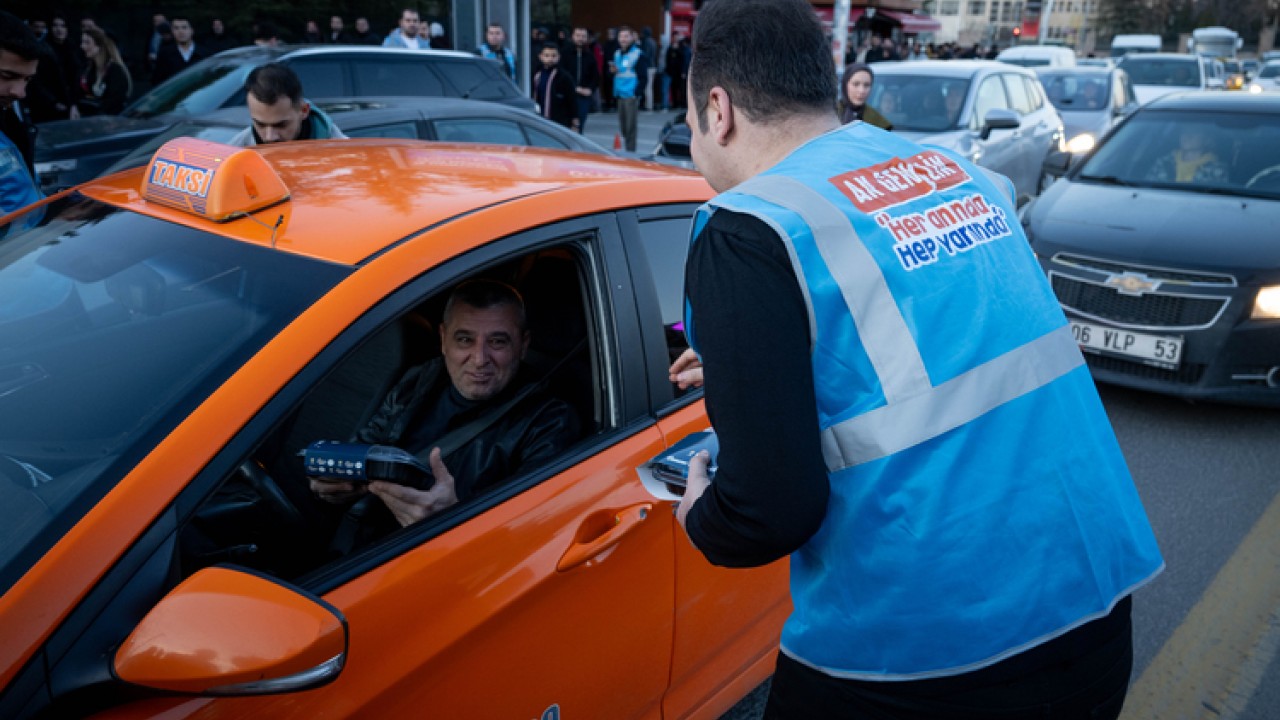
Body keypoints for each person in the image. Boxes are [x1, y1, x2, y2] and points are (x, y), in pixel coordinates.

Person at [670, 0, 1164, 717]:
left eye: (686, 125)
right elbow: (942, 344)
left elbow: (767, 513)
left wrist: (699, 518)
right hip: (1090, 605)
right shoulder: (951, 171)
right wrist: (762, 370)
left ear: (718, 110)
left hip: (920, 652)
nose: (692, 141)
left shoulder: (751, 225)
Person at [310, 280, 579, 532]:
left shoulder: (550, 421)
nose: (479, 359)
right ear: (443, 339)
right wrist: (337, 482)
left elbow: (533, 532)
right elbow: (368, 443)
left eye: (498, 342)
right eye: (465, 340)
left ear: (523, 345)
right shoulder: (421, 379)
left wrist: (452, 520)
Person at [227, 62, 347, 146]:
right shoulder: (235, 153)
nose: (270, 137)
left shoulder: (342, 152)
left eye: (281, 125)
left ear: (304, 110)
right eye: (260, 125)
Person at [0, 10, 42, 216]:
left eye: (27, 80)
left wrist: (53, 212)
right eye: (7, 76)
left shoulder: (9, 120)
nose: (20, 92)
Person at [72, 27, 130, 117]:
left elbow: (114, 102)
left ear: (99, 45)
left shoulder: (115, 70)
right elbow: (76, 92)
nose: (82, 46)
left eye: (87, 42)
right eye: (82, 42)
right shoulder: (87, 68)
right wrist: (74, 106)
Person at [1145, 125, 1229, 184]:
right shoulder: (1164, 162)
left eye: (1194, 132)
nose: (1187, 136)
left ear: (1207, 139)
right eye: (1184, 131)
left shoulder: (1216, 169)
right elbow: (1147, 188)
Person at [610, 26, 647, 152]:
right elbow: (619, 72)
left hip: (631, 95)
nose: (623, 39)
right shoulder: (617, 53)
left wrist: (637, 93)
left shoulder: (638, 54)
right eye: (621, 36)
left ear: (632, 37)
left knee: (630, 128)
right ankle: (628, 150)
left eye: (626, 36)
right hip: (620, 94)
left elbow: (643, 77)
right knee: (624, 127)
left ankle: (630, 154)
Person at [562, 27, 599, 133]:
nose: (580, 39)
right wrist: (574, 88)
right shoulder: (565, 54)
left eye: (583, 36)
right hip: (567, 96)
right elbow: (561, 74)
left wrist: (590, 89)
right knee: (566, 126)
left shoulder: (590, 56)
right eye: (578, 36)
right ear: (572, 37)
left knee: (579, 126)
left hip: (583, 97)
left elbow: (595, 76)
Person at [152, 17, 207, 86]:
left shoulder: (205, 54)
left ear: (191, 30)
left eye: (184, 27)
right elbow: (157, 81)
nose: (180, 31)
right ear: (172, 31)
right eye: (176, 28)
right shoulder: (165, 54)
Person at [532, 43, 576, 130]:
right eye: (547, 55)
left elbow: (572, 100)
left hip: (559, 120)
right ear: (541, 56)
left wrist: (574, 122)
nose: (550, 59)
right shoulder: (536, 74)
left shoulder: (564, 76)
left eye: (553, 56)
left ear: (558, 57)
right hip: (539, 117)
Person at [838, 63, 891, 130]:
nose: (861, 91)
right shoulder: (830, 115)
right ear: (845, 85)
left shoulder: (877, 121)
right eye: (856, 84)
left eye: (866, 85)